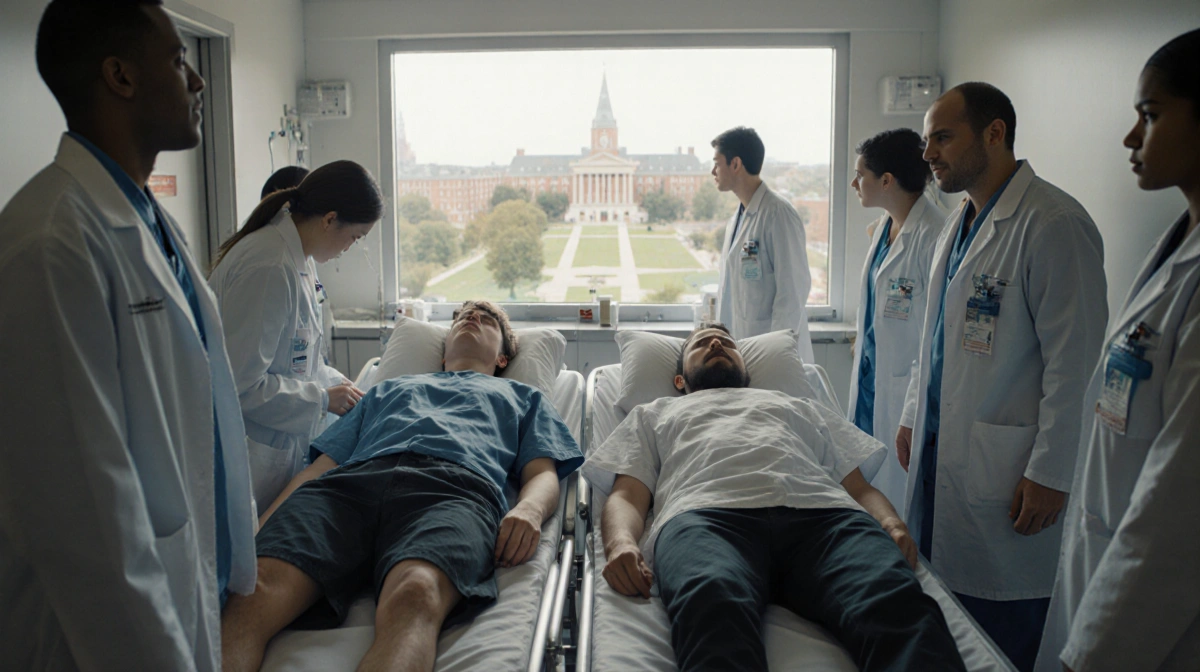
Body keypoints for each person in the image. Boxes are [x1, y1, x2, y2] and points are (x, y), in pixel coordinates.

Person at [0, 2, 256, 670]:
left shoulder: (145, 221)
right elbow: (81, 515)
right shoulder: (50, 241)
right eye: (178, 60)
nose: (198, 83)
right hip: (97, 632)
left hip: (180, 583)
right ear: (120, 76)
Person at [221, 300, 584, 672]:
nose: (471, 319)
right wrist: (262, 528)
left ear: (503, 359)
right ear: (442, 353)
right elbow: (320, 468)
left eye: (486, 320)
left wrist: (529, 510)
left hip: (453, 493)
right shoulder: (385, 390)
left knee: (416, 593)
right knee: (254, 588)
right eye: (461, 318)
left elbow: (542, 474)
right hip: (347, 488)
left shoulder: (524, 398)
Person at [584, 324, 967, 672]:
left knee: (898, 605)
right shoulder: (654, 413)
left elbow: (858, 487)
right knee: (713, 606)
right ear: (680, 379)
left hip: (826, 518)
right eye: (702, 343)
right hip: (704, 518)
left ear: (747, 373)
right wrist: (620, 544)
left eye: (728, 344)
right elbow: (627, 494)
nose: (717, 342)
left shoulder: (796, 405)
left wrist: (891, 524)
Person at [894, 82, 1108, 671]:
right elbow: (931, 339)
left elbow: (1077, 363)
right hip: (945, 459)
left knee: (1003, 632)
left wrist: (1051, 473)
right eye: (925, 139)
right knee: (948, 623)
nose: (928, 153)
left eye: (942, 136)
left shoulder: (1053, 223)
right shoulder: (956, 222)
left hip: (1011, 474)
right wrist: (913, 413)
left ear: (995, 133)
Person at [1035, 29, 1200, 672]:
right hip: (1105, 540)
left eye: (1151, 116)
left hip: (1151, 617)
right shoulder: (1176, 245)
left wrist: (1094, 652)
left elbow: (1179, 507)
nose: (1131, 137)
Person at [209, 160, 381, 512]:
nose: (350, 248)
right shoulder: (269, 266)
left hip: (269, 448)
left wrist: (340, 386)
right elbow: (239, 385)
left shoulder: (300, 258)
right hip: (243, 449)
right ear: (330, 219)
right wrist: (322, 400)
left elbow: (299, 357)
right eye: (355, 237)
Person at [847, 128, 948, 517]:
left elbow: (933, 338)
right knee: (872, 489)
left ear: (886, 181)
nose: (856, 183)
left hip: (905, 393)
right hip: (873, 385)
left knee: (901, 500)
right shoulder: (886, 229)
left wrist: (910, 415)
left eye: (861, 175)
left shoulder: (934, 235)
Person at [712, 126, 815, 364]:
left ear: (735, 164)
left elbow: (792, 293)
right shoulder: (737, 220)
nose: (713, 171)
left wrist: (773, 355)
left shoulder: (778, 214)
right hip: (743, 350)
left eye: (717, 164)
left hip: (772, 356)